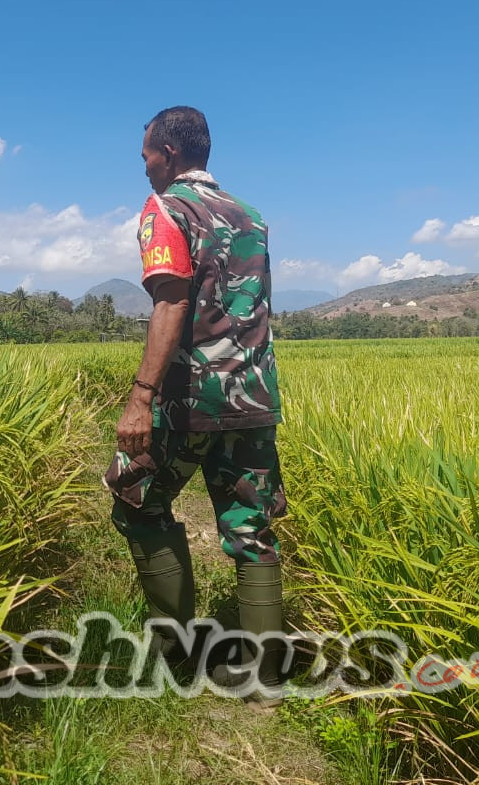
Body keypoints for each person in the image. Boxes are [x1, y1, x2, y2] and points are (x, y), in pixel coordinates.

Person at [106, 105, 287, 699]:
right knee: (251, 526)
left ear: (172, 154)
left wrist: (141, 397)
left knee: (135, 495)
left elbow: (172, 304)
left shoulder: (166, 209)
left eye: (147, 157)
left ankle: (178, 655)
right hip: (254, 394)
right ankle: (264, 678)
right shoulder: (250, 215)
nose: (146, 169)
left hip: (191, 399)